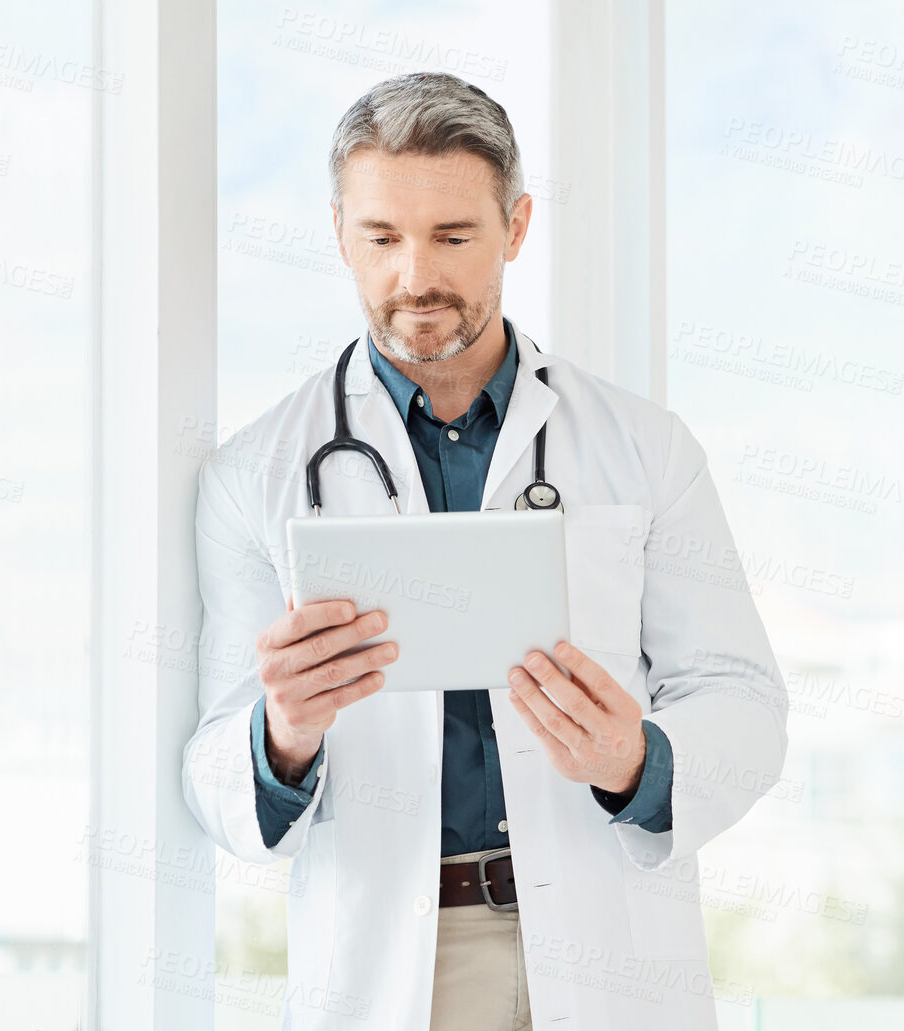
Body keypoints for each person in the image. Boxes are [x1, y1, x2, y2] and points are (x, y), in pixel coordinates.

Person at [182, 71, 789, 1030]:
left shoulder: (642, 448)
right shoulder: (257, 473)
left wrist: (639, 758)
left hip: (606, 948)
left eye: (454, 237)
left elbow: (744, 700)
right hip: (397, 957)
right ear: (340, 230)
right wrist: (283, 735)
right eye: (381, 238)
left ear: (516, 227)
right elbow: (211, 769)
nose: (414, 275)